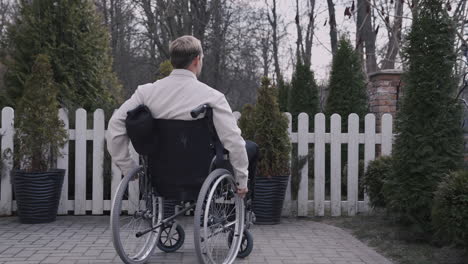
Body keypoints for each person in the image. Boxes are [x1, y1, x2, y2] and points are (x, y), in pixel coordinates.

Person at [106, 35, 251, 197]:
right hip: (200, 175)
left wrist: (128, 167)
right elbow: (233, 140)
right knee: (250, 148)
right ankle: (236, 210)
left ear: (173, 60)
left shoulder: (146, 93)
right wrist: (241, 180)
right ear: (197, 60)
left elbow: (115, 125)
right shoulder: (213, 97)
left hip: (160, 175)